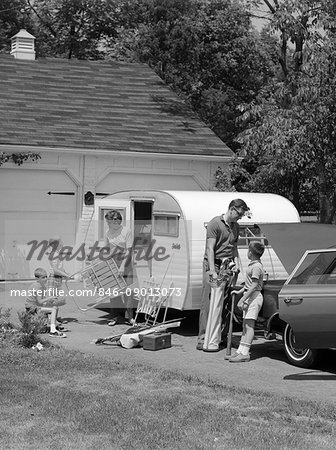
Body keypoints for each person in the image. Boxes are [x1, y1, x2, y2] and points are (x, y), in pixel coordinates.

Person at [197, 198, 250, 352]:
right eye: (238, 215)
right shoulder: (215, 223)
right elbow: (210, 249)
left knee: (225, 302)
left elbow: (234, 247)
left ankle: (218, 337)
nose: (239, 218)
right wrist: (212, 271)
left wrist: (237, 265)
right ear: (232, 209)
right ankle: (203, 339)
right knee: (208, 302)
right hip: (214, 264)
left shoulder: (236, 226)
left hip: (228, 266)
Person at [229, 241, 265, 363]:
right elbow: (248, 285)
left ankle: (245, 353)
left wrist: (242, 299)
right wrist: (239, 292)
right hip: (249, 296)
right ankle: (240, 350)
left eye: (248, 250)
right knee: (245, 325)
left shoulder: (256, 267)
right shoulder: (252, 265)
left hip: (254, 298)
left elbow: (254, 286)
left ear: (251, 252)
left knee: (249, 325)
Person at [104, 210, 135, 326]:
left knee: (128, 290)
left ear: (115, 221)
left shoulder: (126, 231)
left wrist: (122, 267)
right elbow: (106, 249)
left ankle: (129, 317)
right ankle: (115, 316)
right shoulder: (108, 232)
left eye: (109, 221)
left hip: (125, 262)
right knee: (114, 290)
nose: (107, 224)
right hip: (113, 261)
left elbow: (129, 250)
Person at [25, 267, 66, 338]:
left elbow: (42, 299)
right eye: (43, 278)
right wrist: (50, 298)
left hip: (36, 306)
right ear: (37, 279)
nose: (46, 279)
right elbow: (40, 302)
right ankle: (53, 331)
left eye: (46, 277)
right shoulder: (37, 286)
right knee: (53, 310)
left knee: (55, 306)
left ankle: (53, 325)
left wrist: (50, 300)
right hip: (32, 308)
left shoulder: (41, 285)